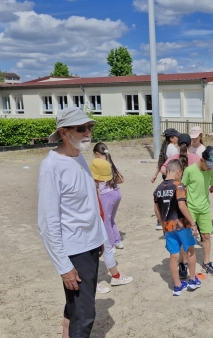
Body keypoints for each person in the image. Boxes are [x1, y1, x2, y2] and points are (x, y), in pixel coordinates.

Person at [38, 107, 107, 338]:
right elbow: (48, 222)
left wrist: (100, 238)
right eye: (81, 128)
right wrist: (64, 266)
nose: (88, 132)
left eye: (90, 127)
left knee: (75, 307)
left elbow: (87, 204)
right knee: (84, 314)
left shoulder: (78, 155)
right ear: (64, 132)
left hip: (90, 244)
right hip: (74, 249)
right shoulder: (52, 166)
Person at [154, 159, 202, 296]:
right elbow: (181, 205)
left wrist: (162, 223)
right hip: (182, 224)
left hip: (168, 227)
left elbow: (156, 209)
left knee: (174, 255)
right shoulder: (179, 186)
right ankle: (193, 280)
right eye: (181, 174)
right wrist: (192, 223)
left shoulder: (158, 188)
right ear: (178, 171)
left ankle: (177, 286)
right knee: (190, 250)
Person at [160, 133, 201, 280]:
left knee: (179, 235)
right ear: (191, 144)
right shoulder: (196, 158)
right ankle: (190, 272)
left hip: (175, 202)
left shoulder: (173, 158)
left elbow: (163, 170)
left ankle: (182, 264)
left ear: (178, 144)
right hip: (190, 198)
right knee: (188, 236)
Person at [89, 159, 133, 294]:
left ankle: (116, 276)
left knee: (106, 247)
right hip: (90, 223)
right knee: (91, 253)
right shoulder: (87, 185)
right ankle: (91, 284)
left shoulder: (92, 183)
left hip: (98, 220)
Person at [182, 146, 213, 276]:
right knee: (187, 237)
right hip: (191, 209)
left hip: (204, 208)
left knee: (206, 236)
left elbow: (209, 185)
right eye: (208, 165)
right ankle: (184, 263)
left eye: (212, 166)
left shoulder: (211, 172)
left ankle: (206, 263)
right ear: (202, 159)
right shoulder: (189, 170)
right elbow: (182, 187)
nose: (209, 168)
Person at [93, 143, 124, 252]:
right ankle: (118, 241)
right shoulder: (111, 163)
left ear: (97, 153)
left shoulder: (99, 165)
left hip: (106, 194)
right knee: (111, 219)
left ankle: (110, 245)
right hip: (116, 192)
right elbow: (121, 179)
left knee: (106, 220)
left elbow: (95, 182)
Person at [151, 128, 180, 230]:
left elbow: (161, 162)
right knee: (172, 198)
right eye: (177, 136)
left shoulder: (166, 147)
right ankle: (166, 220)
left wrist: (155, 175)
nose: (178, 138)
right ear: (172, 138)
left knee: (166, 197)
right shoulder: (174, 149)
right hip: (172, 175)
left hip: (166, 175)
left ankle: (160, 220)